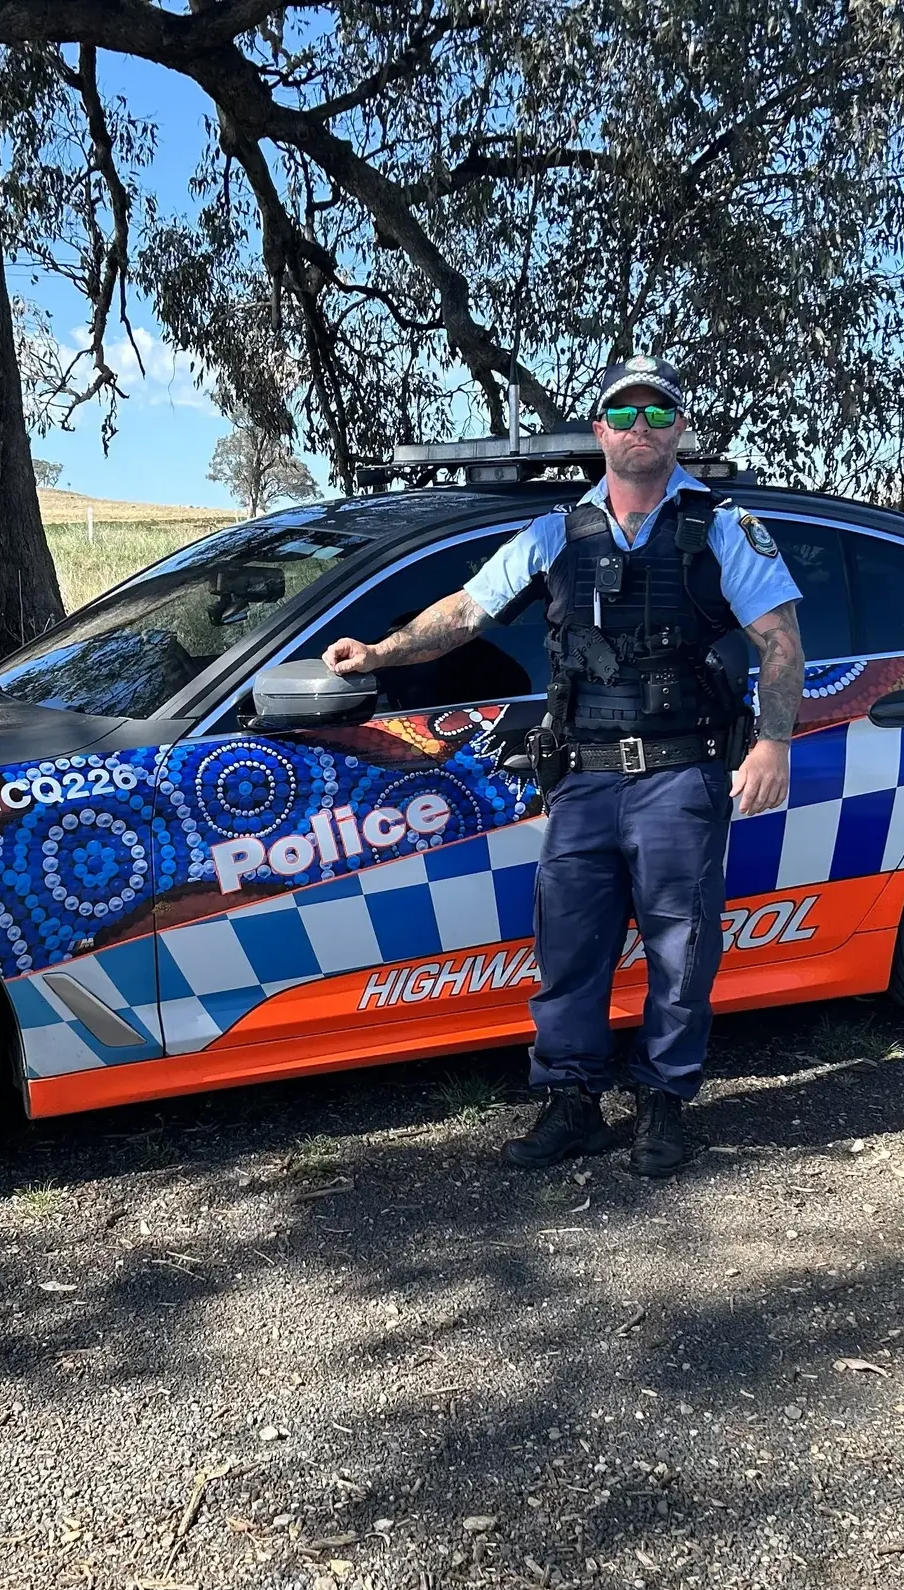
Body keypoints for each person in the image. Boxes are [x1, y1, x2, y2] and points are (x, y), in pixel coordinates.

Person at [323, 356, 803, 1176]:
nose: (641, 429)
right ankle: (572, 1103)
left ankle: (663, 1104)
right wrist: (379, 653)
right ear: (599, 431)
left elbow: (780, 639)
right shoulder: (556, 532)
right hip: (582, 779)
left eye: (658, 415)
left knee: (681, 952)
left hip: (680, 775)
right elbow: (466, 612)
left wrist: (774, 741)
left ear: (679, 429)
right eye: (625, 415)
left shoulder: (723, 527)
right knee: (568, 949)